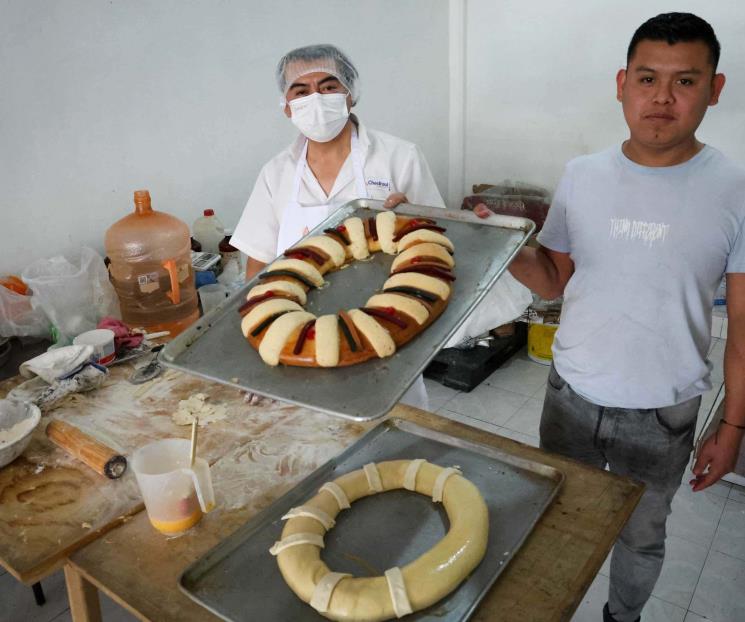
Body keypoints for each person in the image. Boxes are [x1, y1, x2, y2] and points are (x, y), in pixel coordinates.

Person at [504, 13, 745, 622]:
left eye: (685, 81)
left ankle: (622, 617)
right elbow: (555, 278)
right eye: (646, 78)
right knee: (556, 517)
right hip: (570, 393)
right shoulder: (582, 175)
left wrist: (734, 428)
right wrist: (501, 243)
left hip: (663, 413)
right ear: (621, 83)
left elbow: (743, 327)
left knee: (641, 534)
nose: (661, 97)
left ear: (714, 89)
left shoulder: (735, 189)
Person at [230, 44, 446, 409]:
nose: (315, 98)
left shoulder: (398, 156)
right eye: (301, 90)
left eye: (328, 86)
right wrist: (262, 348)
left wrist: (413, 219)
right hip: (299, 347)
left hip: (389, 334)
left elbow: (438, 243)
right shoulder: (276, 173)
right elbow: (258, 266)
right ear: (286, 105)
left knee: (391, 444)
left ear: (350, 94)